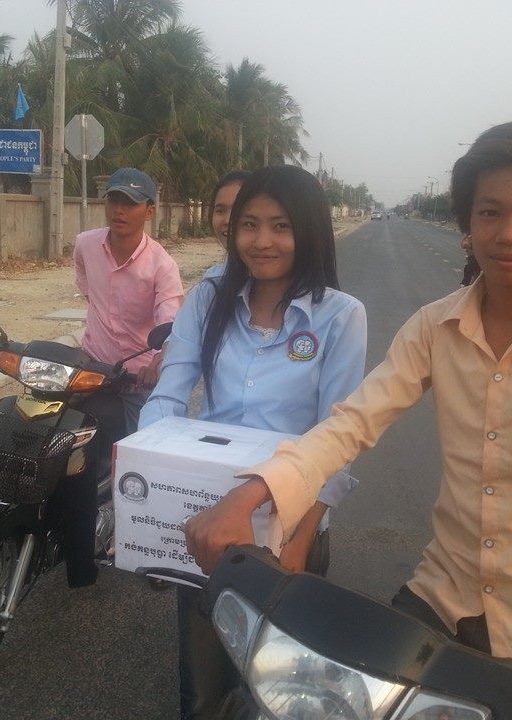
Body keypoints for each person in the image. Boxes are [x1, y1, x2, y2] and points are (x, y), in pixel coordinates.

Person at [186, 122, 512, 720]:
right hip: (444, 597)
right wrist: (252, 494)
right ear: (467, 223)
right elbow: (350, 424)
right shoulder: (433, 327)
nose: (510, 233)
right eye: (490, 212)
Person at [140, 165, 368, 719]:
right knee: (202, 683)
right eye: (249, 225)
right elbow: (169, 394)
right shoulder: (208, 297)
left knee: (277, 687)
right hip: (212, 515)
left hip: (292, 519)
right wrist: (146, 479)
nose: (262, 241)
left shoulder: (341, 316)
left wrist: (298, 543)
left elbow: (335, 439)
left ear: (308, 230)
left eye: (281, 226)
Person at [59, 167, 184, 588]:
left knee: (146, 466)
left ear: (149, 210)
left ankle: (155, 550)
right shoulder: (86, 244)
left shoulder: (162, 265)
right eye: (114, 200)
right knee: (64, 443)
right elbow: (84, 284)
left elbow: (171, 322)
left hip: (137, 377)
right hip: (93, 367)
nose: (120, 210)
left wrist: (158, 359)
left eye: (131, 203)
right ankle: (71, 539)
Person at [203, 170, 251, 279]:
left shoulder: (275, 282)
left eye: (238, 210)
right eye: (220, 211)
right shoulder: (212, 279)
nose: (227, 221)